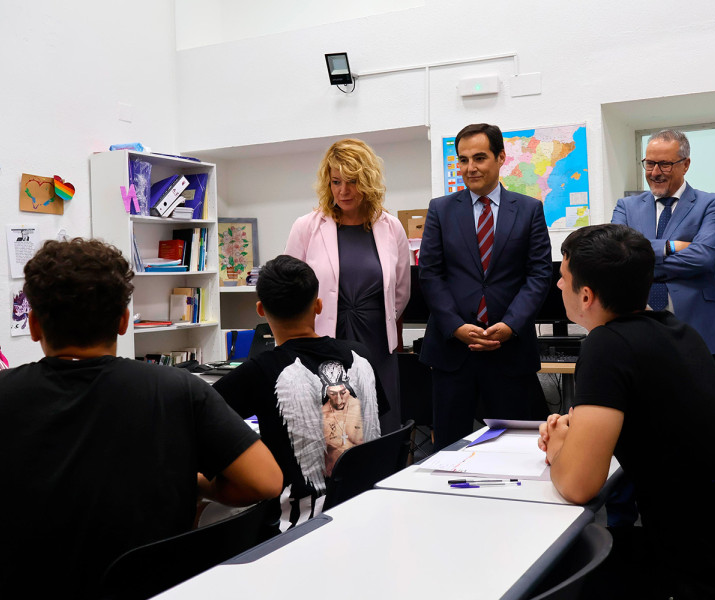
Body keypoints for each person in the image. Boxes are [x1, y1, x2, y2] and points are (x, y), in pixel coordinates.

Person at [0, 238, 282, 598]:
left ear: (35, 325)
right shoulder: (179, 389)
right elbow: (266, 481)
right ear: (122, 321)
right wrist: (200, 486)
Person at [539, 224, 715, 600]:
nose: (559, 287)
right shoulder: (679, 332)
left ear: (587, 295)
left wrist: (559, 447)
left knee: (556, 569)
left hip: (692, 572)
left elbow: (578, 486)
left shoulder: (607, 346)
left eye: (563, 278)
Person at [213, 255, 384, 525]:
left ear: (260, 309)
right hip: (368, 507)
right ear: (318, 305)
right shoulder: (360, 356)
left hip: (298, 526)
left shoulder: (260, 370)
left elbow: (201, 424)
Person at [418, 123, 553, 450]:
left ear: (501, 157)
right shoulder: (441, 209)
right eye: (462, 160)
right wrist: (455, 326)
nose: (470, 167)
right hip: (453, 350)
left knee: (519, 449)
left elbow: (538, 274)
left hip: (509, 349)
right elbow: (430, 274)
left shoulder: (529, 210)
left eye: (479, 158)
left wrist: (510, 325)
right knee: (450, 450)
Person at [284, 138, 409, 433]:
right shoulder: (306, 227)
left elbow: (401, 292)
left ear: (368, 180)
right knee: (334, 433)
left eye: (352, 181)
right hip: (326, 343)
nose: (343, 191)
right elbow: (289, 291)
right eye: (336, 181)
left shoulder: (391, 227)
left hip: (378, 342)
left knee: (381, 427)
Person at [611, 129, 715, 357]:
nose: (655, 172)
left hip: (699, 331)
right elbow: (617, 259)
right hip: (637, 330)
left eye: (664, 164)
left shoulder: (712, 204)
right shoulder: (626, 207)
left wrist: (640, 260)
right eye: (649, 164)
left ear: (685, 165)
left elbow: (703, 258)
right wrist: (669, 247)